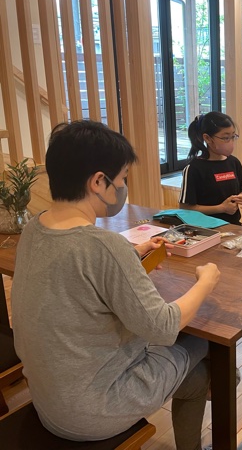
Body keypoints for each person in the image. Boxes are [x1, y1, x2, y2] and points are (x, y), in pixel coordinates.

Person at [12, 120, 219, 450]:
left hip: (49, 402)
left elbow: (76, 274)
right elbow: (164, 326)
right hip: (94, 412)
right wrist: (206, 281)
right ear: (98, 182)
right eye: (122, 178)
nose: (123, 187)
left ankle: (204, 388)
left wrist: (133, 254)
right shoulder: (103, 246)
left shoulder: (34, 229)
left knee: (195, 372)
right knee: (205, 342)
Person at [179, 111, 242, 225]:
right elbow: (185, 209)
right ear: (208, 138)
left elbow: (240, 190)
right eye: (226, 138)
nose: (231, 142)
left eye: (233, 136)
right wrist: (221, 208)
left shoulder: (234, 163)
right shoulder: (193, 168)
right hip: (206, 228)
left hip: (233, 226)